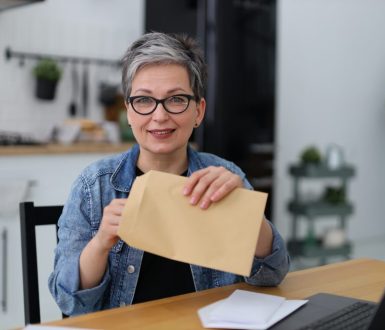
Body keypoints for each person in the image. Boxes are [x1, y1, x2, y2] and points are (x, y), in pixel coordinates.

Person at [48, 32, 290, 316]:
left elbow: (272, 275)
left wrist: (246, 213)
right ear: (128, 111)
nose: (159, 116)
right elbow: (69, 301)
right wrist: (101, 242)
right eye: (144, 100)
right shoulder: (94, 187)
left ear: (198, 111)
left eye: (176, 99)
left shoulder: (225, 177)